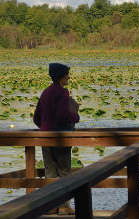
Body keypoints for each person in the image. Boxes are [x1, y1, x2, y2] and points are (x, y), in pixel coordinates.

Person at [33, 63, 80, 215]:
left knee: (50, 172)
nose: (69, 77)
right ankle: (65, 206)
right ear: (61, 76)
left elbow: (36, 118)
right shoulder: (62, 93)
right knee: (65, 171)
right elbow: (62, 116)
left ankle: (51, 206)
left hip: (45, 138)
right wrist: (76, 116)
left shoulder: (46, 92)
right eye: (67, 74)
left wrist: (45, 127)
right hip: (60, 137)